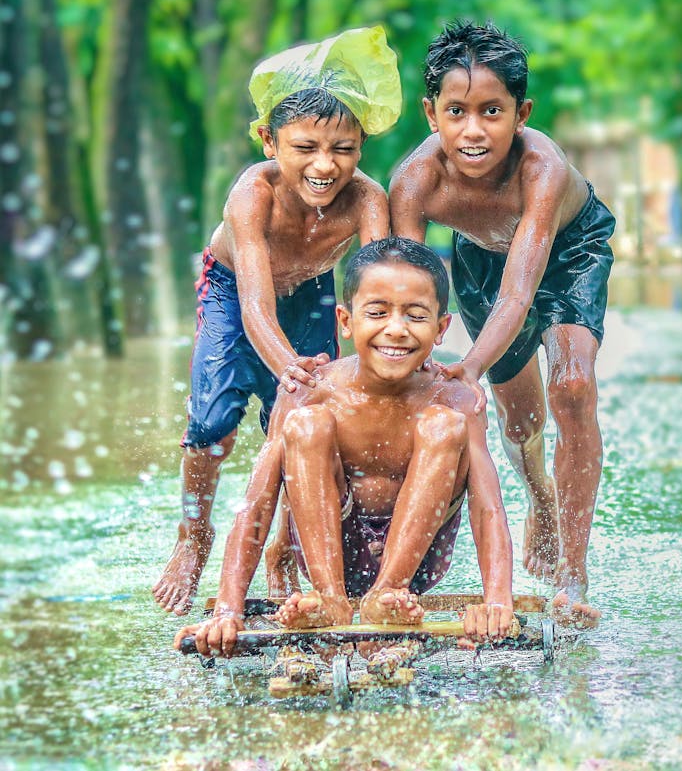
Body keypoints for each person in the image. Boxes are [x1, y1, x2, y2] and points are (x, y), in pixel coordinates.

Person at [153, 26, 402, 616]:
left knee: (305, 422)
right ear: (270, 142)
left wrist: (369, 373)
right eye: (305, 148)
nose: (325, 166)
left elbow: (379, 291)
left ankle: (286, 550)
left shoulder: (367, 201)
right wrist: (292, 368)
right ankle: (194, 538)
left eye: (342, 149)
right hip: (233, 289)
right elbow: (255, 308)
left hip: (313, 289)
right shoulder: (254, 196)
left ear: (361, 146)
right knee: (213, 424)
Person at [175, 237, 514, 657]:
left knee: (445, 426)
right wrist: (228, 607)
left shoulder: (457, 398)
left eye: (415, 316)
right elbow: (257, 504)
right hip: (330, 552)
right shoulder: (308, 390)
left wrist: (497, 601)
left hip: (418, 562)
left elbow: (487, 506)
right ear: (346, 321)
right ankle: (330, 599)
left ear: (441, 328)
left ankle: (389, 591)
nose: (396, 329)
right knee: (308, 424)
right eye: (377, 313)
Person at [389, 21, 615, 627]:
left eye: (492, 111)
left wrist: (468, 366)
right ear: (431, 113)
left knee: (571, 387)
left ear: (521, 113)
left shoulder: (540, 168)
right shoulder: (415, 182)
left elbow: (522, 290)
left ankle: (573, 570)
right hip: (478, 260)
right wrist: (404, 377)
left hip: (569, 249)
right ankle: (539, 494)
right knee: (521, 420)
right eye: (457, 111)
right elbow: (403, 289)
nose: (473, 129)